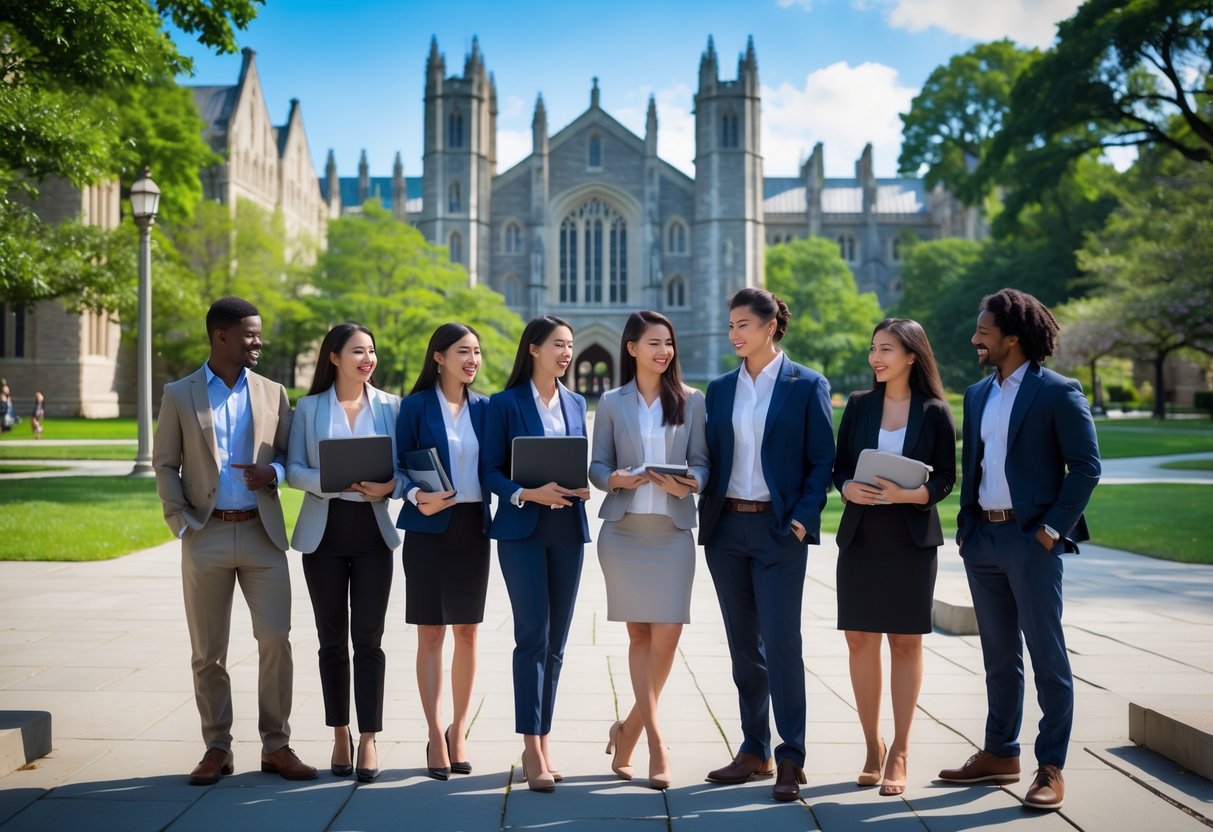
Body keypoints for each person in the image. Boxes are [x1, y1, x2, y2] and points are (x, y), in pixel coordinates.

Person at [937, 288, 1100, 811]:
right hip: (983, 539)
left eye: (983, 331)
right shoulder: (978, 393)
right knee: (998, 657)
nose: (974, 339)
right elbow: (978, 465)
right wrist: (966, 529)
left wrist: (1053, 530)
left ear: (1012, 336)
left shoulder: (1058, 391)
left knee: (1046, 655)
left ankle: (1050, 766)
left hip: (1032, 542)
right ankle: (1001, 752)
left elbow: (1087, 467)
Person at [152, 296, 316, 785]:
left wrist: (276, 471)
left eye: (258, 333)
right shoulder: (179, 394)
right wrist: (178, 521)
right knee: (208, 652)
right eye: (249, 334)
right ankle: (216, 748)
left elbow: (290, 454)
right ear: (220, 337)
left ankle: (277, 746)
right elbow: (164, 463)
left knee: (276, 641)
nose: (258, 341)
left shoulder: (273, 392)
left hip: (263, 535)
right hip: (206, 534)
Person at [699, 287, 835, 802]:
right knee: (743, 649)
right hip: (727, 530)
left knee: (781, 644)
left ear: (770, 325)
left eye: (742, 325)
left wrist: (801, 521)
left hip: (780, 531)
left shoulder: (807, 385)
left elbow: (822, 459)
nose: (734, 334)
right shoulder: (719, 389)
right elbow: (710, 455)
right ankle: (753, 748)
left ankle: (791, 757)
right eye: (730, 325)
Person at [833, 318, 956, 796]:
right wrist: (847, 487)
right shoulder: (860, 406)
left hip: (910, 540)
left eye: (886, 349)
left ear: (911, 355)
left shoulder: (935, 411)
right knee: (860, 642)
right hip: (862, 537)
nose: (876, 358)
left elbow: (946, 476)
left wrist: (914, 496)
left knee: (906, 643)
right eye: (872, 349)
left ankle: (901, 750)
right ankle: (872, 744)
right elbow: (839, 465)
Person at [589, 311, 709, 791]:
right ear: (632, 348)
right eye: (654, 343)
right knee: (640, 636)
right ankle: (657, 744)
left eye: (669, 343)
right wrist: (613, 479)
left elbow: (701, 462)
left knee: (669, 634)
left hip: (672, 530)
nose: (664, 351)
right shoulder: (613, 402)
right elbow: (597, 465)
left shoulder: (692, 401)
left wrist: (690, 484)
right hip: (624, 532)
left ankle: (629, 729)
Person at [287, 322, 402, 783]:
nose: (367, 359)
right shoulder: (309, 408)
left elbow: (404, 468)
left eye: (371, 351)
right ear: (333, 356)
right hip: (324, 534)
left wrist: (390, 485)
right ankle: (340, 734)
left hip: (374, 534)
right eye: (358, 351)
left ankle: (369, 738)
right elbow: (294, 469)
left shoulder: (391, 407)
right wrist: (326, 482)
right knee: (331, 641)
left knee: (369, 642)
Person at [482, 315, 591, 792]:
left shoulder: (576, 401)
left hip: (567, 527)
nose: (566, 353)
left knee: (557, 643)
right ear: (533, 349)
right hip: (522, 530)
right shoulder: (504, 404)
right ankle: (530, 747)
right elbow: (489, 472)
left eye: (570, 346)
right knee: (532, 636)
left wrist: (581, 487)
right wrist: (526, 493)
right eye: (558, 345)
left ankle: (544, 740)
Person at [395, 323, 491, 781]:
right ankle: (435, 733)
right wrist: (417, 496)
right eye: (463, 352)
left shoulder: (486, 409)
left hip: (473, 527)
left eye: (477, 353)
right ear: (439, 356)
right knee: (431, 633)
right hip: (429, 528)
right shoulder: (413, 407)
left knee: (468, 632)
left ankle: (459, 731)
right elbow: (397, 467)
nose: (472, 360)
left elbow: (498, 465)